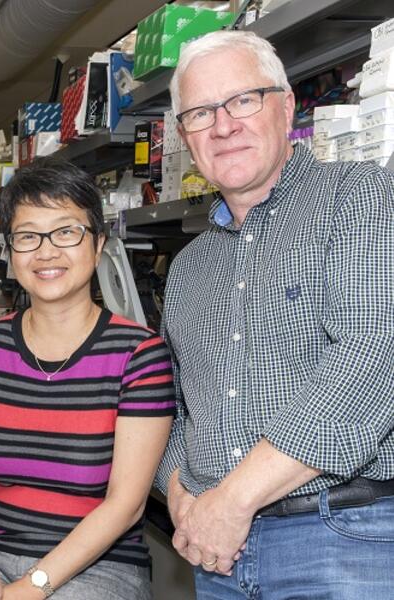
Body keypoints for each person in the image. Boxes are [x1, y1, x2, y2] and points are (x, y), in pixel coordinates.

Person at [154, 30, 394, 598]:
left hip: (343, 537)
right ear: (185, 135)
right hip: (216, 555)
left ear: (286, 107)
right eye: (200, 113)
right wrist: (181, 493)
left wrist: (233, 499)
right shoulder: (189, 268)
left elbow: (372, 355)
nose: (223, 125)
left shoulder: (360, 197)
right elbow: (171, 402)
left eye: (243, 100)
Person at [0, 157, 176, 600]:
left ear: (97, 245)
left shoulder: (139, 355)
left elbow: (127, 505)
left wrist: (35, 584)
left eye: (66, 232)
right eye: (28, 236)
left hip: (99, 565)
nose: (47, 251)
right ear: (10, 252)